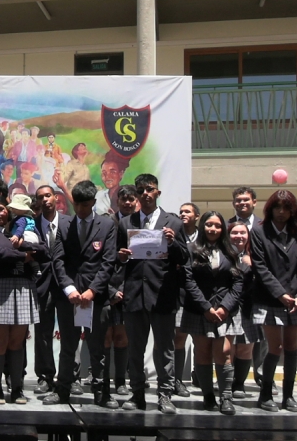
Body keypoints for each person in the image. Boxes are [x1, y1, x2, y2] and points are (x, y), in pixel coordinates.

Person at [116, 174, 189, 414]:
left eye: (150, 189)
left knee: (164, 349)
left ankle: (165, 395)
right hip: (135, 294)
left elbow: (184, 258)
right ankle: (137, 394)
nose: (145, 193)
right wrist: (122, 257)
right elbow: (118, 258)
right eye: (141, 190)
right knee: (135, 349)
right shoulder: (126, 223)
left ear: (158, 192)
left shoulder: (174, 223)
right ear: (136, 195)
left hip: (163, 295)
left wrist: (173, 243)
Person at [43, 180, 117, 407]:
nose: (81, 210)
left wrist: (93, 291)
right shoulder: (64, 225)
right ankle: (62, 390)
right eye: (78, 205)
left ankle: (101, 392)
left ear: (94, 203)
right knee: (68, 346)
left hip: (96, 298)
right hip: (71, 298)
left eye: (86, 205)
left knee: (98, 348)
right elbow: (58, 260)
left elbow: (108, 262)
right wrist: (70, 289)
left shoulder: (107, 226)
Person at [0, 195, 49, 405]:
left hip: (23, 287)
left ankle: (17, 388)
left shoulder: (22, 226)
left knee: (17, 342)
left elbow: (43, 250)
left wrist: (23, 244)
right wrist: (23, 256)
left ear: (8, 209)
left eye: (1, 209)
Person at [251, 190, 297, 413]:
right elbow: (261, 267)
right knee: (275, 347)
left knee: (292, 348)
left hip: (296, 299)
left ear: (292, 211)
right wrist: (281, 294)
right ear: (270, 209)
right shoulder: (259, 232)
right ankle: (265, 394)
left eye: (286, 208)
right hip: (270, 299)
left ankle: (289, 396)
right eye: (277, 207)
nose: (281, 212)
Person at [180, 211, 243, 415]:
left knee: (224, 353)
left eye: (217, 225)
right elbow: (188, 281)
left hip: (226, 310)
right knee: (203, 352)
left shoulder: (232, 250)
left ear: (222, 228)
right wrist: (206, 308)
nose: (213, 229)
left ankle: (226, 397)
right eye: (209, 225)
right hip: (200, 310)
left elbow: (238, 281)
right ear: (202, 226)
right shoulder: (191, 250)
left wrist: (224, 307)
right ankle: (208, 396)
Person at [32, 185, 74, 396]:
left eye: (48, 195)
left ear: (56, 198)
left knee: (69, 332)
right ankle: (45, 375)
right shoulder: (32, 225)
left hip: (66, 285)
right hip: (42, 286)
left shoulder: (69, 223)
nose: (45, 200)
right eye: (40, 197)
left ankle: (69, 375)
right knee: (42, 333)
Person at [227, 186, 269, 392]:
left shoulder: (265, 226)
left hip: (259, 292)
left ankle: (262, 376)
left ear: (254, 202)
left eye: (246, 200)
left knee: (258, 338)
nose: (242, 203)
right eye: (238, 200)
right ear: (233, 203)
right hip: (231, 293)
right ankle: (233, 381)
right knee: (235, 342)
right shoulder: (225, 226)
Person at [106, 185, 139, 396]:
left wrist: (127, 289)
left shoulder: (143, 224)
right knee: (105, 337)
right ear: (117, 201)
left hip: (132, 289)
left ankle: (120, 380)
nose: (128, 202)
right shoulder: (107, 223)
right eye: (124, 199)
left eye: (131, 199)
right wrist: (111, 290)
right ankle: (101, 381)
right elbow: (96, 260)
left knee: (122, 338)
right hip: (107, 289)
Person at [228, 220, 264, 399]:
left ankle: (239, 384)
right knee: (229, 349)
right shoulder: (222, 254)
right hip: (227, 307)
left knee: (245, 348)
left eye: (243, 233)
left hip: (248, 307)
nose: (239, 236)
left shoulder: (256, 255)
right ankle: (226, 384)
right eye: (234, 232)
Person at [173, 202, 200, 397]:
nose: (183, 214)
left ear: (197, 216)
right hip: (180, 294)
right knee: (179, 338)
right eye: (181, 211)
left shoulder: (205, 236)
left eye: (187, 211)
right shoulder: (175, 234)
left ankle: (200, 376)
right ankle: (177, 380)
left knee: (201, 340)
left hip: (202, 297)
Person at [94, 151, 130, 216]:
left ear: (121, 174)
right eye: (104, 173)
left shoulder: (128, 197)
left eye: (112, 172)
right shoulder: (99, 195)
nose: (107, 177)